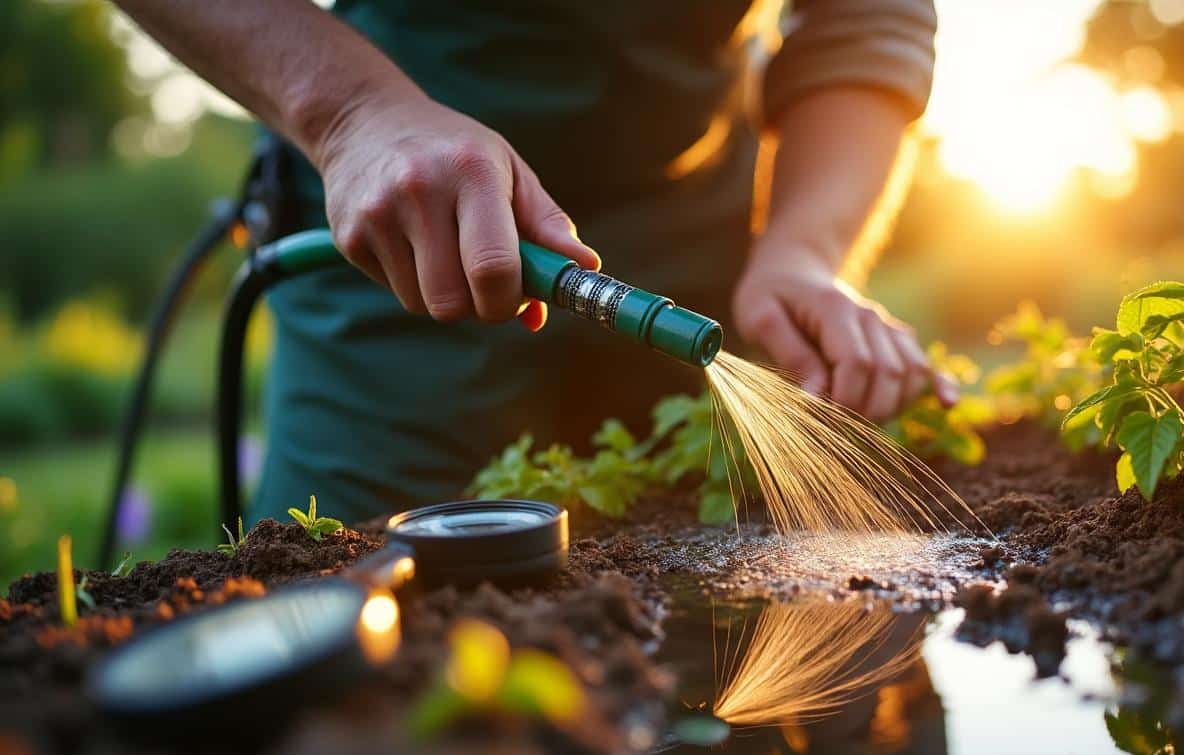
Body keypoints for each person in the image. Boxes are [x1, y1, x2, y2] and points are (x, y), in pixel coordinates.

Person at [113, 0, 958, 524]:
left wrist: (805, 248)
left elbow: (863, 17)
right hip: (398, 243)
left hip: (700, 238)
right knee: (352, 637)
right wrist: (352, 114)